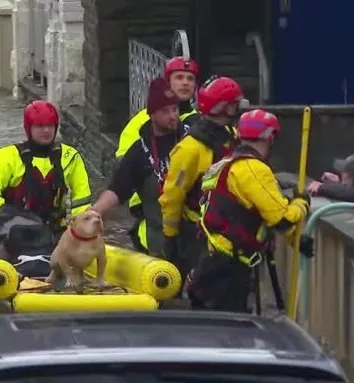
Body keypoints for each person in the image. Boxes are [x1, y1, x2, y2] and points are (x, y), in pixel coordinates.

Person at [188, 109, 314, 312]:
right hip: (228, 272)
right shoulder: (254, 169)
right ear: (271, 137)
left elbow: (249, 214)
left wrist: (295, 240)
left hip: (210, 264)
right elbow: (281, 219)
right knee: (231, 336)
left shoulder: (224, 165)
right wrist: (301, 203)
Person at [159, 75, 244, 281]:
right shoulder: (191, 148)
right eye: (234, 105)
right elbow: (173, 194)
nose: (238, 109)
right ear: (224, 107)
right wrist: (170, 236)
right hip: (198, 235)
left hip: (232, 233)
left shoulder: (233, 135)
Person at [0, 100, 92, 247]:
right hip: (14, 230)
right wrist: (8, 216)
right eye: (39, 126)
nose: (46, 131)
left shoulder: (70, 157)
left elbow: (81, 199)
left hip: (55, 229)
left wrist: (79, 227)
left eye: (50, 126)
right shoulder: (7, 157)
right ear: (29, 128)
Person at [92, 78, 183, 256]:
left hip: (193, 237)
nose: (173, 116)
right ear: (152, 114)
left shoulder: (191, 137)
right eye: (166, 111)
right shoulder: (139, 151)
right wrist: (94, 213)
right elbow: (118, 189)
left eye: (175, 109)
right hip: (160, 242)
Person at [115, 57, 200, 231]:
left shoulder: (198, 121)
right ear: (167, 81)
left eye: (190, 79)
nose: (185, 83)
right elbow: (125, 162)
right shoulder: (141, 121)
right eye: (179, 77)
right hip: (148, 204)